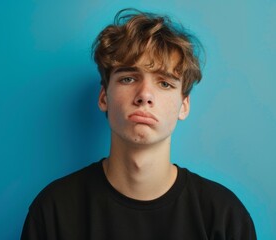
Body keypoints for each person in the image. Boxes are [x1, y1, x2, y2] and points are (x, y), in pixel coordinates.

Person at [21, 8, 256, 240]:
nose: (145, 95)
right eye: (128, 78)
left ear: (184, 106)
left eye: (164, 83)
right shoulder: (54, 210)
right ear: (104, 98)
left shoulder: (223, 216)